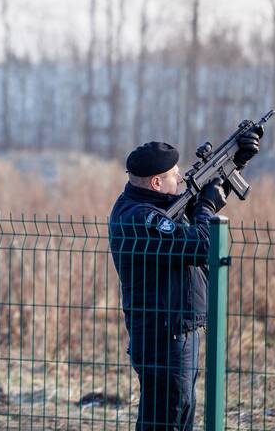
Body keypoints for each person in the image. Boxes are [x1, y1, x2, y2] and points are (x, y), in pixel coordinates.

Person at [108, 132, 260, 431]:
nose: (180, 181)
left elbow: (196, 206)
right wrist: (206, 208)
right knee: (168, 420)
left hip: (174, 332)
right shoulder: (141, 218)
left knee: (177, 414)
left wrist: (236, 163)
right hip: (164, 338)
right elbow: (204, 244)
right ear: (155, 183)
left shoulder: (149, 205)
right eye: (175, 176)